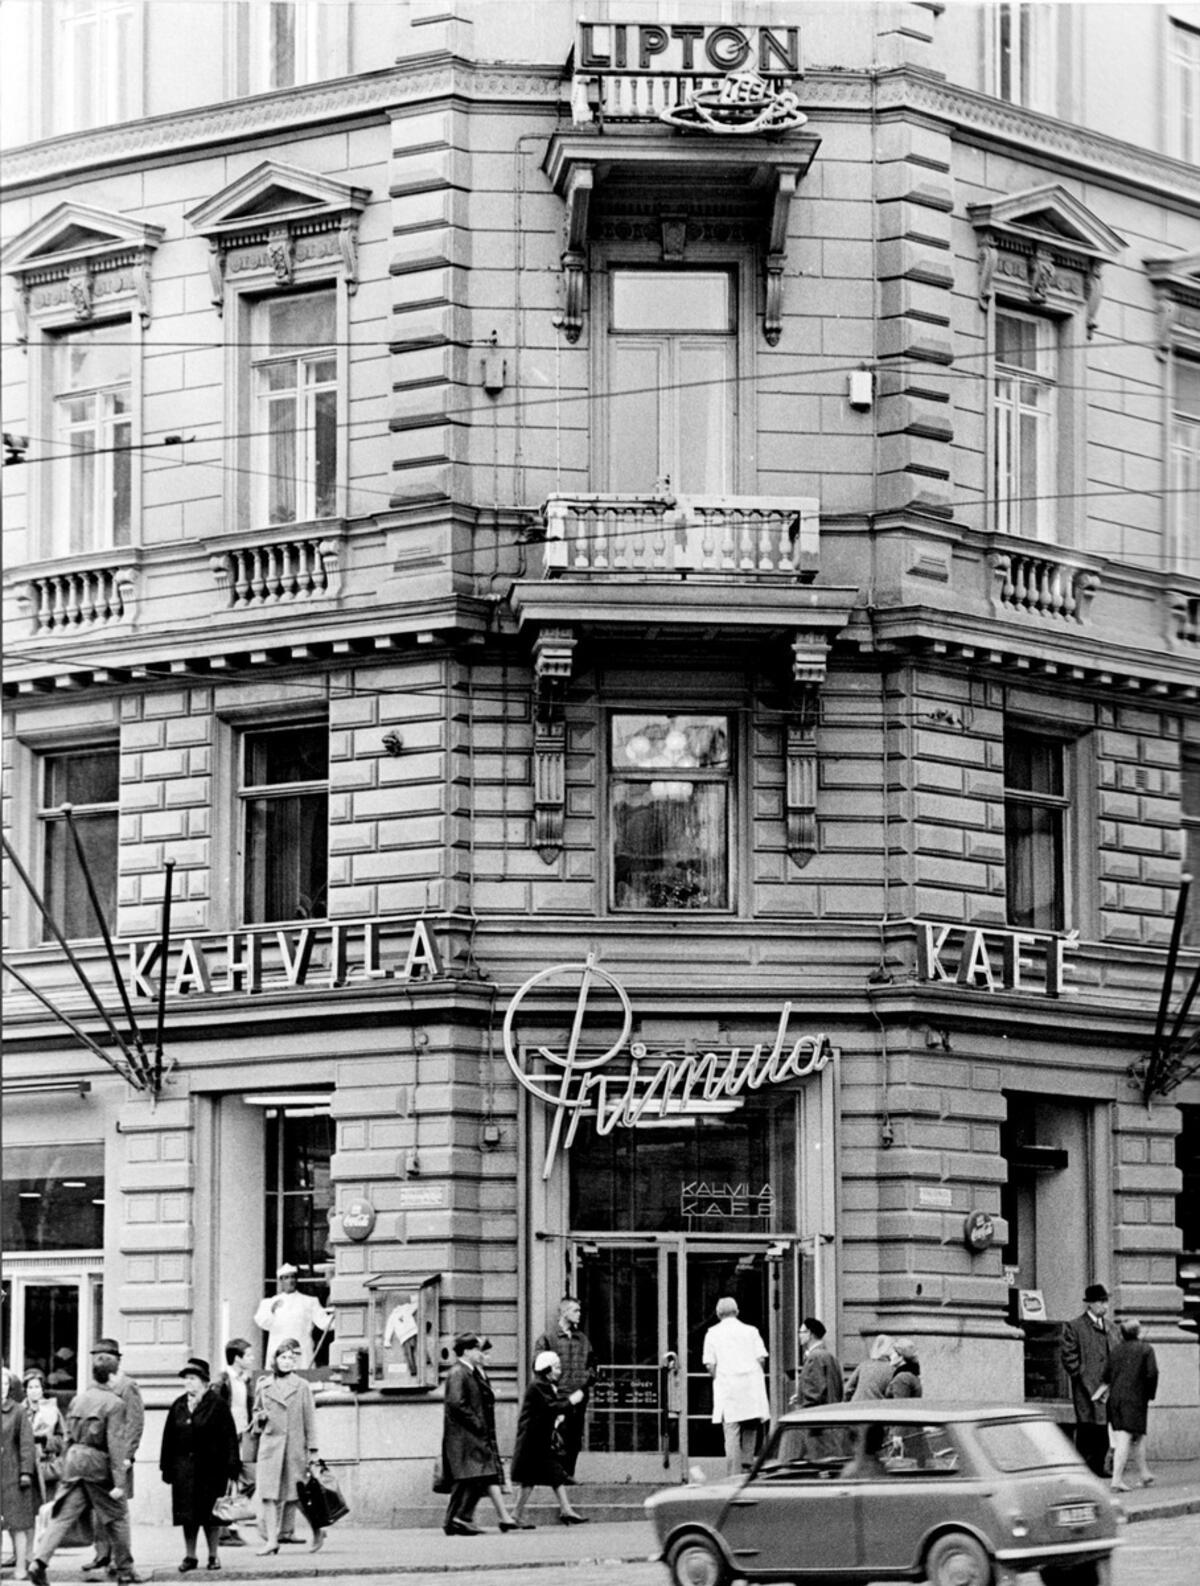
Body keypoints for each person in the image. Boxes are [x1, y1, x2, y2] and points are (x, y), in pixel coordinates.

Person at [26, 1355, 137, 1586]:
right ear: (112, 1376)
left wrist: (67, 1464)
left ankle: (39, 1562)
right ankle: (126, 1571)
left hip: (74, 1461)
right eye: (117, 1373)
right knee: (118, 1516)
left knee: (62, 1516)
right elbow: (116, 1445)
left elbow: (67, 1436)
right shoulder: (115, 1404)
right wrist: (119, 1483)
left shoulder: (79, 1399)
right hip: (97, 1464)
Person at [159, 1359, 240, 1574]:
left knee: (211, 1515)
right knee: (187, 1514)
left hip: (212, 1468)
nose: (188, 1382)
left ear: (204, 1381)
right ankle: (190, 1555)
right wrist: (166, 1467)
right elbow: (168, 1437)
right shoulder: (178, 1405)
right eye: (186, 1378)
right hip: (184, 1469)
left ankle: (213, 1555)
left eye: (192, 1378)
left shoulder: (217, 1404)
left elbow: (229, 1436)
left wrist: (233, 1465)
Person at [439, 1334, 518, 1536]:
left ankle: (456, 1520)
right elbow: (456, 1403)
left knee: (470, 1478)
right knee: (474, 1476)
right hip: (465, 1435)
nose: (479, 1352)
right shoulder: (459, 1372)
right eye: (476, 1348)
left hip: (469, 1435)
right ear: (466, 1351)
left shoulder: (469, 1372)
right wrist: (477, 1423)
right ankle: (460, 1519)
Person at [249, 1339, 322, 1555]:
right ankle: (272, 1540)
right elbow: (255, 1418)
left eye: (292, 1358)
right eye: (283, 1357)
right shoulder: (264, 1385)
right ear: (275, 1360)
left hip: (293, 1448)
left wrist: (313, 1450)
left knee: (298, 1495)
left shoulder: (302, 1386)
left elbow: (310, 1419)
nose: (288, 1362)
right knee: (268, 1495)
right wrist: (259, 1418)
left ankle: (317, 1530)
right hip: (270, 1448)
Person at [82, 1340, 144, 1583]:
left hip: (119, 1459)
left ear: (115, 1360)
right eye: (96, 1357)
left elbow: (135, 1423)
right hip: (99, 1460)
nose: (98, 1361)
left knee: (118, 1514)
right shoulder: (95, 1387)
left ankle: (122, 1563)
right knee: (98, 1511)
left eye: (102, 1357)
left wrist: (127, 1455)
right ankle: (102, 1555)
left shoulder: (128, 1386)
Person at [510, 1352, 588, 1528]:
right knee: (541, 1476)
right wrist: (572, 1401)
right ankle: (517, 1514)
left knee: (553, 1474)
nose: (559, 1371)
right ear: (547, 1370)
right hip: (534, 1442)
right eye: (557, 1367)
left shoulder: (542, 1385)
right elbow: (552, 1408)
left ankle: (564, 1509)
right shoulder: (539, 1386)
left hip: (537, 1440)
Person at [701, 1297, 770, 1478]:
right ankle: (748, 1468)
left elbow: (710, 1365)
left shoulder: (712, 1333)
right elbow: (761, 1358)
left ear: (718, 1314)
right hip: (750, 1388)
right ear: (737, 1311)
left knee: (731, 1433)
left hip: (728, 1389)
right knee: (750, 1428)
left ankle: (733, 1474)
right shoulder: (751, 1331)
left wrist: (722, 1377)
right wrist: (753, 1377)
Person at [531, 1298, 595, 1482]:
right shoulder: (548, 1338)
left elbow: (593, 1365)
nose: (579, 1314)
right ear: (564, 1312)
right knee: (556, 1437)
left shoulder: (582, 1339)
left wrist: (586, 1380)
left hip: (578, 1396)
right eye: (575, 1310)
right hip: (557, 1397)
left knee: (575, 1437)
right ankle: (556, 1475)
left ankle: (569, 1474)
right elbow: (538, 1366)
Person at [1060, 1283, 1117, 1477]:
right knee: (1087, 1426)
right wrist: (1080, 1375)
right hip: (1086, 1387)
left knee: (1104, 1426)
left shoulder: (1111, 1328)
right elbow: (1068, 1356)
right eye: (1101, 1302)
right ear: (1090, 1304)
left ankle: (1101, 1466)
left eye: (1106, 1301)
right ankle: (1085, 1467)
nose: (1105, 1306)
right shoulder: (1075, 1326)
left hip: (1107, 1387)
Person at [1101, 1318, 1158, 1492]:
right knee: (1126, 1438)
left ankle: (1144, 1473)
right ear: (1138, 1332)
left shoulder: (1116, 1350)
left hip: (1116, 1399)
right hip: (1135, 1400)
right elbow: (1152, 1374)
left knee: (1137, 1436)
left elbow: (1105, 1376)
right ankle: (1116, 1480)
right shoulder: (1146, 1349)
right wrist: (1149, 1395)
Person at [213, 1342, 254, 1548]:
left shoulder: (244, 1380)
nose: (252, 1358)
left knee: (239, 1483)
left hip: (242, 1436)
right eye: (248, 1355)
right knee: (226, 1482)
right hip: (226, 1439)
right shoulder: (223, 1381)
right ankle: (224, 1528)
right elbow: (217, 1411)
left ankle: (232, 1526)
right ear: (237, 1358)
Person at [253, 1266, 333, 1371]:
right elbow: (263, 1322)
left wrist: (340, 1313)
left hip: (302, 1353)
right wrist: (272, 1310)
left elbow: (325, 1324)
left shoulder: (309, 1301)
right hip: (279, 1352)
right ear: (280, 1280)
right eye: (286, 1277)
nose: (290, 1280)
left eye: (292, 1277)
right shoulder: (269, 1302)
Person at [2, 1366, 37, 1581]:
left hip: (12, 1472)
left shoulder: (18, 1411)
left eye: (6, 1384)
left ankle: (21, 1566)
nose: (2, 1388)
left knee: (19, 1523)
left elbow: (26, 1444)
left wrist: (26, 1472)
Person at [22, 1371, 66, 1507]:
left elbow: (63, 1440)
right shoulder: (19, 1411)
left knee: (47, 1508)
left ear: (42, 1389)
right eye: (30, 1387)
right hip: (25, 1467)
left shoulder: (52, 1410)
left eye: (37, 1387)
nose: (34, 1391)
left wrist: (46, 1441)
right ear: (25, 1390)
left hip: (47, 1465)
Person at [794, 1318, 843, 1407]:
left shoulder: (815, 1357)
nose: (799, 1335)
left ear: (809, 1333)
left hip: (815, 1413)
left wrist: (804, 1403)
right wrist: (800, 1396)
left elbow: (814, 1393)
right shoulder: (828, 1355)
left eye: (801, 1332)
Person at [845, 1335, 896, 1402]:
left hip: (856, 1405)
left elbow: (847, 1388)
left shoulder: (864, 1365)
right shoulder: (892, 1369)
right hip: (876, 1407)